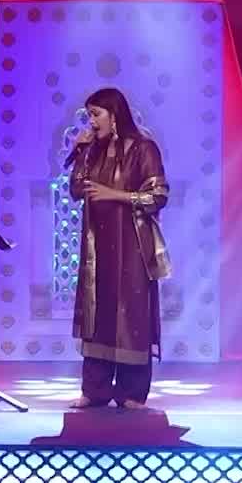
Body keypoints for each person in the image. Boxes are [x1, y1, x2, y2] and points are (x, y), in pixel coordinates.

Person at [67, 88, 172, 409]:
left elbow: (159, 197)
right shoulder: (92, 151)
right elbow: (75, 191)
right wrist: (81, 151)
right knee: (97, 312)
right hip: (97, 247)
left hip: (133, 246)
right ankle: (95, 389)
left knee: (131, 316)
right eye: (89, 115)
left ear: (115, 116)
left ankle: (132, 392)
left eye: (96, 114)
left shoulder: (144, 149)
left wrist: (115, 195)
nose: (91, 121)